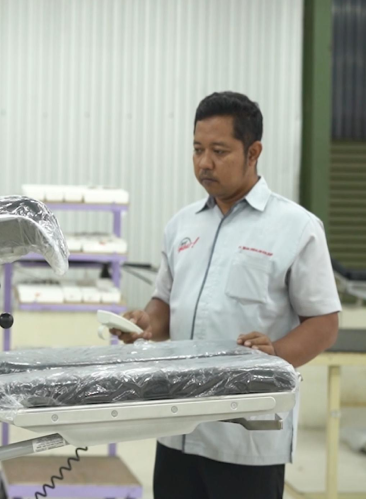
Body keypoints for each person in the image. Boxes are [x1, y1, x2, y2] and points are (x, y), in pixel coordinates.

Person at [112, 91, 341, 499]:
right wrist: (147, 323)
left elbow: (324, 322)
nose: (204, 163)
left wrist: (275, 355)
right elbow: (164, 303)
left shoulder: (296, 227)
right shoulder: (182, 225)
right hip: (178, 428)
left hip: (247, 437)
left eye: (219, 151)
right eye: (197, 149)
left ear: (253, 153)